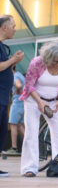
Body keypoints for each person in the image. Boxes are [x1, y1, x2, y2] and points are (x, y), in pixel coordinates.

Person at [19, 41, 58, 177]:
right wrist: (39, 102)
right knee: (31, 132)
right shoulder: (37, 62)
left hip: (54, 102)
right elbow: (29, 84)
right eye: (55, 61)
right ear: (48, 58)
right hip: (34, 99)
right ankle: (29, 168)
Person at [0, 15, 24, 176]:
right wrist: (12, 60)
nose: (15, 29)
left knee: (1, 132)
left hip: (3, 97)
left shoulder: (3, 47)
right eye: (13, 26)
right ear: (4, 28)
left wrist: (12, 61)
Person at [8, 69, 26, 155]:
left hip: (17, 102)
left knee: (13, 124)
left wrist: (18, 91)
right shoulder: (20, 74)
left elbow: (18, 85)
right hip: (23, 102)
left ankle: (14, 148)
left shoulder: (14, 76)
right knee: (19, 125)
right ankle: (30, 144)